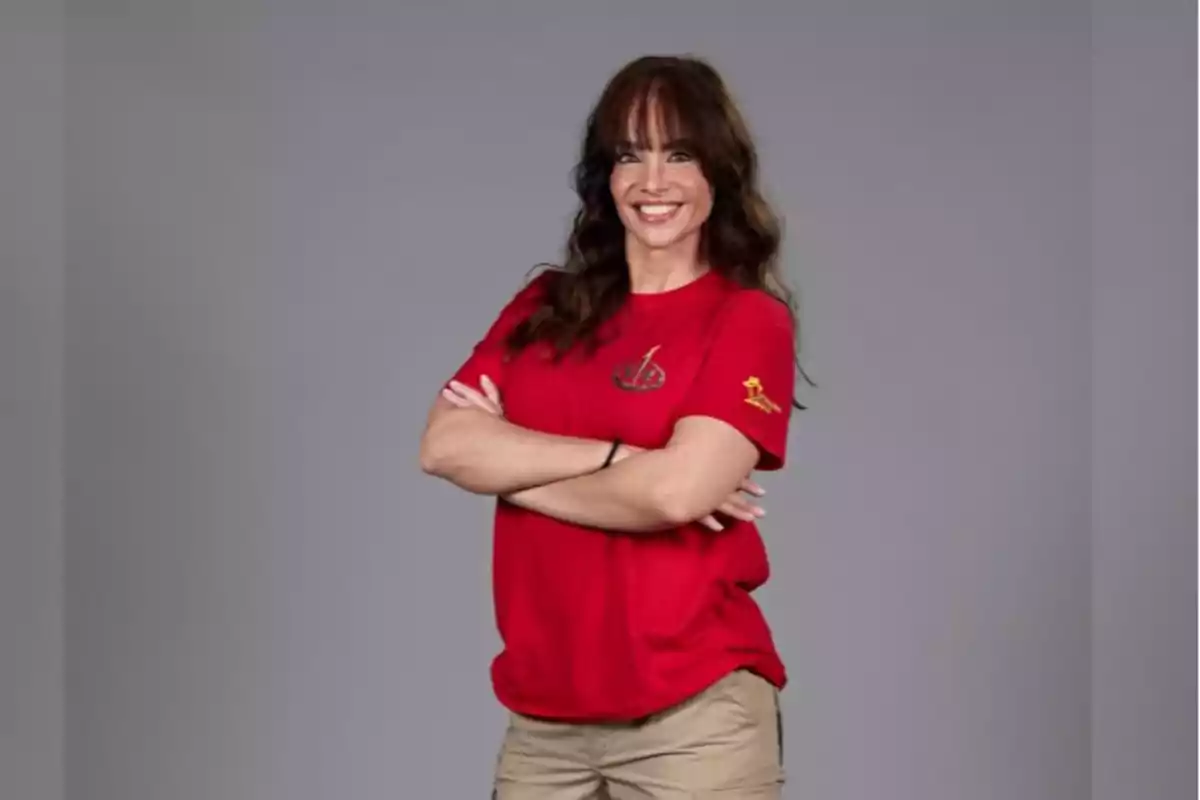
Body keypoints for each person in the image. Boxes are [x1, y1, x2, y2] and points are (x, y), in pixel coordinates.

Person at [420, 54, 804, 799]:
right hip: (543, 721)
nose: (652, 181)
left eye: (679, 154)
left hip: (693, 718)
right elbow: (444, 446)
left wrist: (513, 476)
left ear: (718, 174)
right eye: (630, 154)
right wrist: (623, 456)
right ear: (606, 174)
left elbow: (674, 494)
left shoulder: (747, 320)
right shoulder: (543, 306)